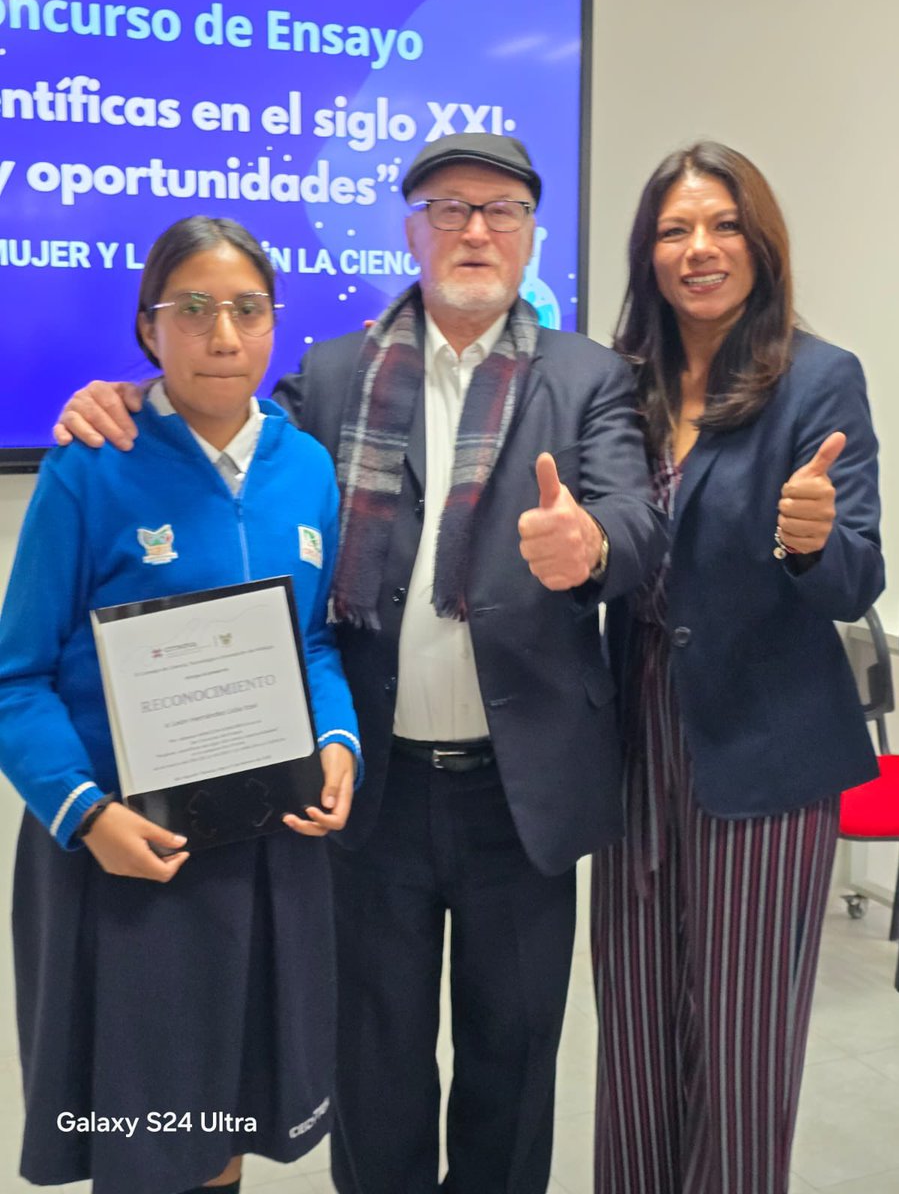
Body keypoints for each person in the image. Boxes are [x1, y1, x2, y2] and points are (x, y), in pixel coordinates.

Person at [54, 133, 668, 1194]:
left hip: (521, 797)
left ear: (531, 234)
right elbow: (221, 428)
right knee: (373, 1066)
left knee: (513, 1064)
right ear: (410, 228)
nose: (475, 229)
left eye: (502, 210)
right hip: (363, 789)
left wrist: (595, 545)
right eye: (449, 207)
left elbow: (634, 518)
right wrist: (119, 395)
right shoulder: (335, 371)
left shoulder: (590, 376)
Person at [0, 215, 361, 1194]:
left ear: (275, 323)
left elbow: (314, 643)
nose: (223, 335)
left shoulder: (306, 470)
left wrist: (338, 742)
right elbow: (16, 677)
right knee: (149, 1144)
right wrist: (87, 814)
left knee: (226, 1132)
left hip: (265, 847)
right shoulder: (91, 464)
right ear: (149, 327)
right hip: (130, 856)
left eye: (247, 309)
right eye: (192, 309)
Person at [592, 141, 883, 1194]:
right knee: (631, 1044)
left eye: (722, 225)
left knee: (744, 1056)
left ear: (760, 244)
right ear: (648, 254)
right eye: (673, 230)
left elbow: (856, 577)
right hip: (633, 748)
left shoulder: (819, 378)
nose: (699, 249)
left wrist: (810, 540)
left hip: (763, 754)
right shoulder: (615, 384)